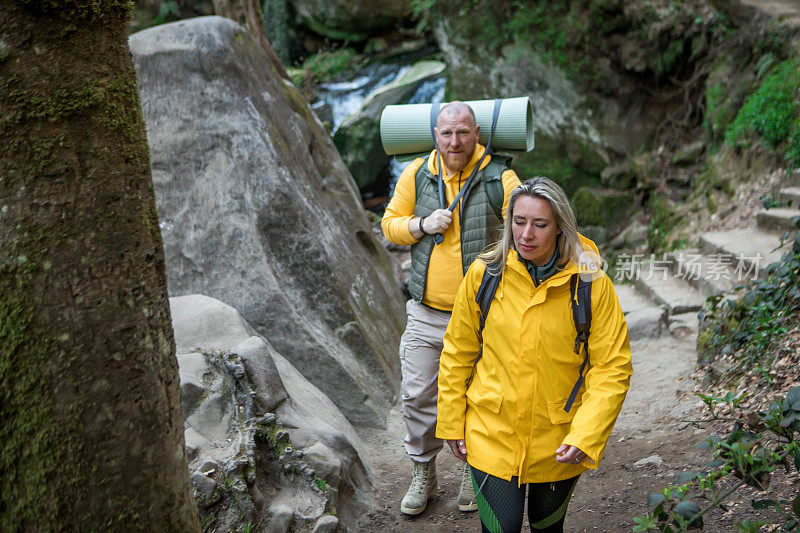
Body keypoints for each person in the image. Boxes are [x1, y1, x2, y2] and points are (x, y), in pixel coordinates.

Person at [436, 177, 632, 532]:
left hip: (559, 436)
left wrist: (586, 434)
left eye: (540, 224)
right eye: (519, 221)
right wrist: (451, 420)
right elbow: (457, 350)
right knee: (502, 528)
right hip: (490, 429)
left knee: (547, 528)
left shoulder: (590, 283)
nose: (526, 234)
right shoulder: (485, 273)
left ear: (560, 227)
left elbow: (611, 367)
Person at [381, 101, 521, 515]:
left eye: (462, 132)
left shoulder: (501, 177)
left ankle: (473, 469)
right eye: (446, 134)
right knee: (418, 393)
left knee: (479, 396)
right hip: (426, 312)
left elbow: (526, 227)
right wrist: (422, 225)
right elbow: (389, 224)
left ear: (477, 133)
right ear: (435, 136)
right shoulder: (417, 174)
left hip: (485, 314)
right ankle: (424, 471)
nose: (454, 142)